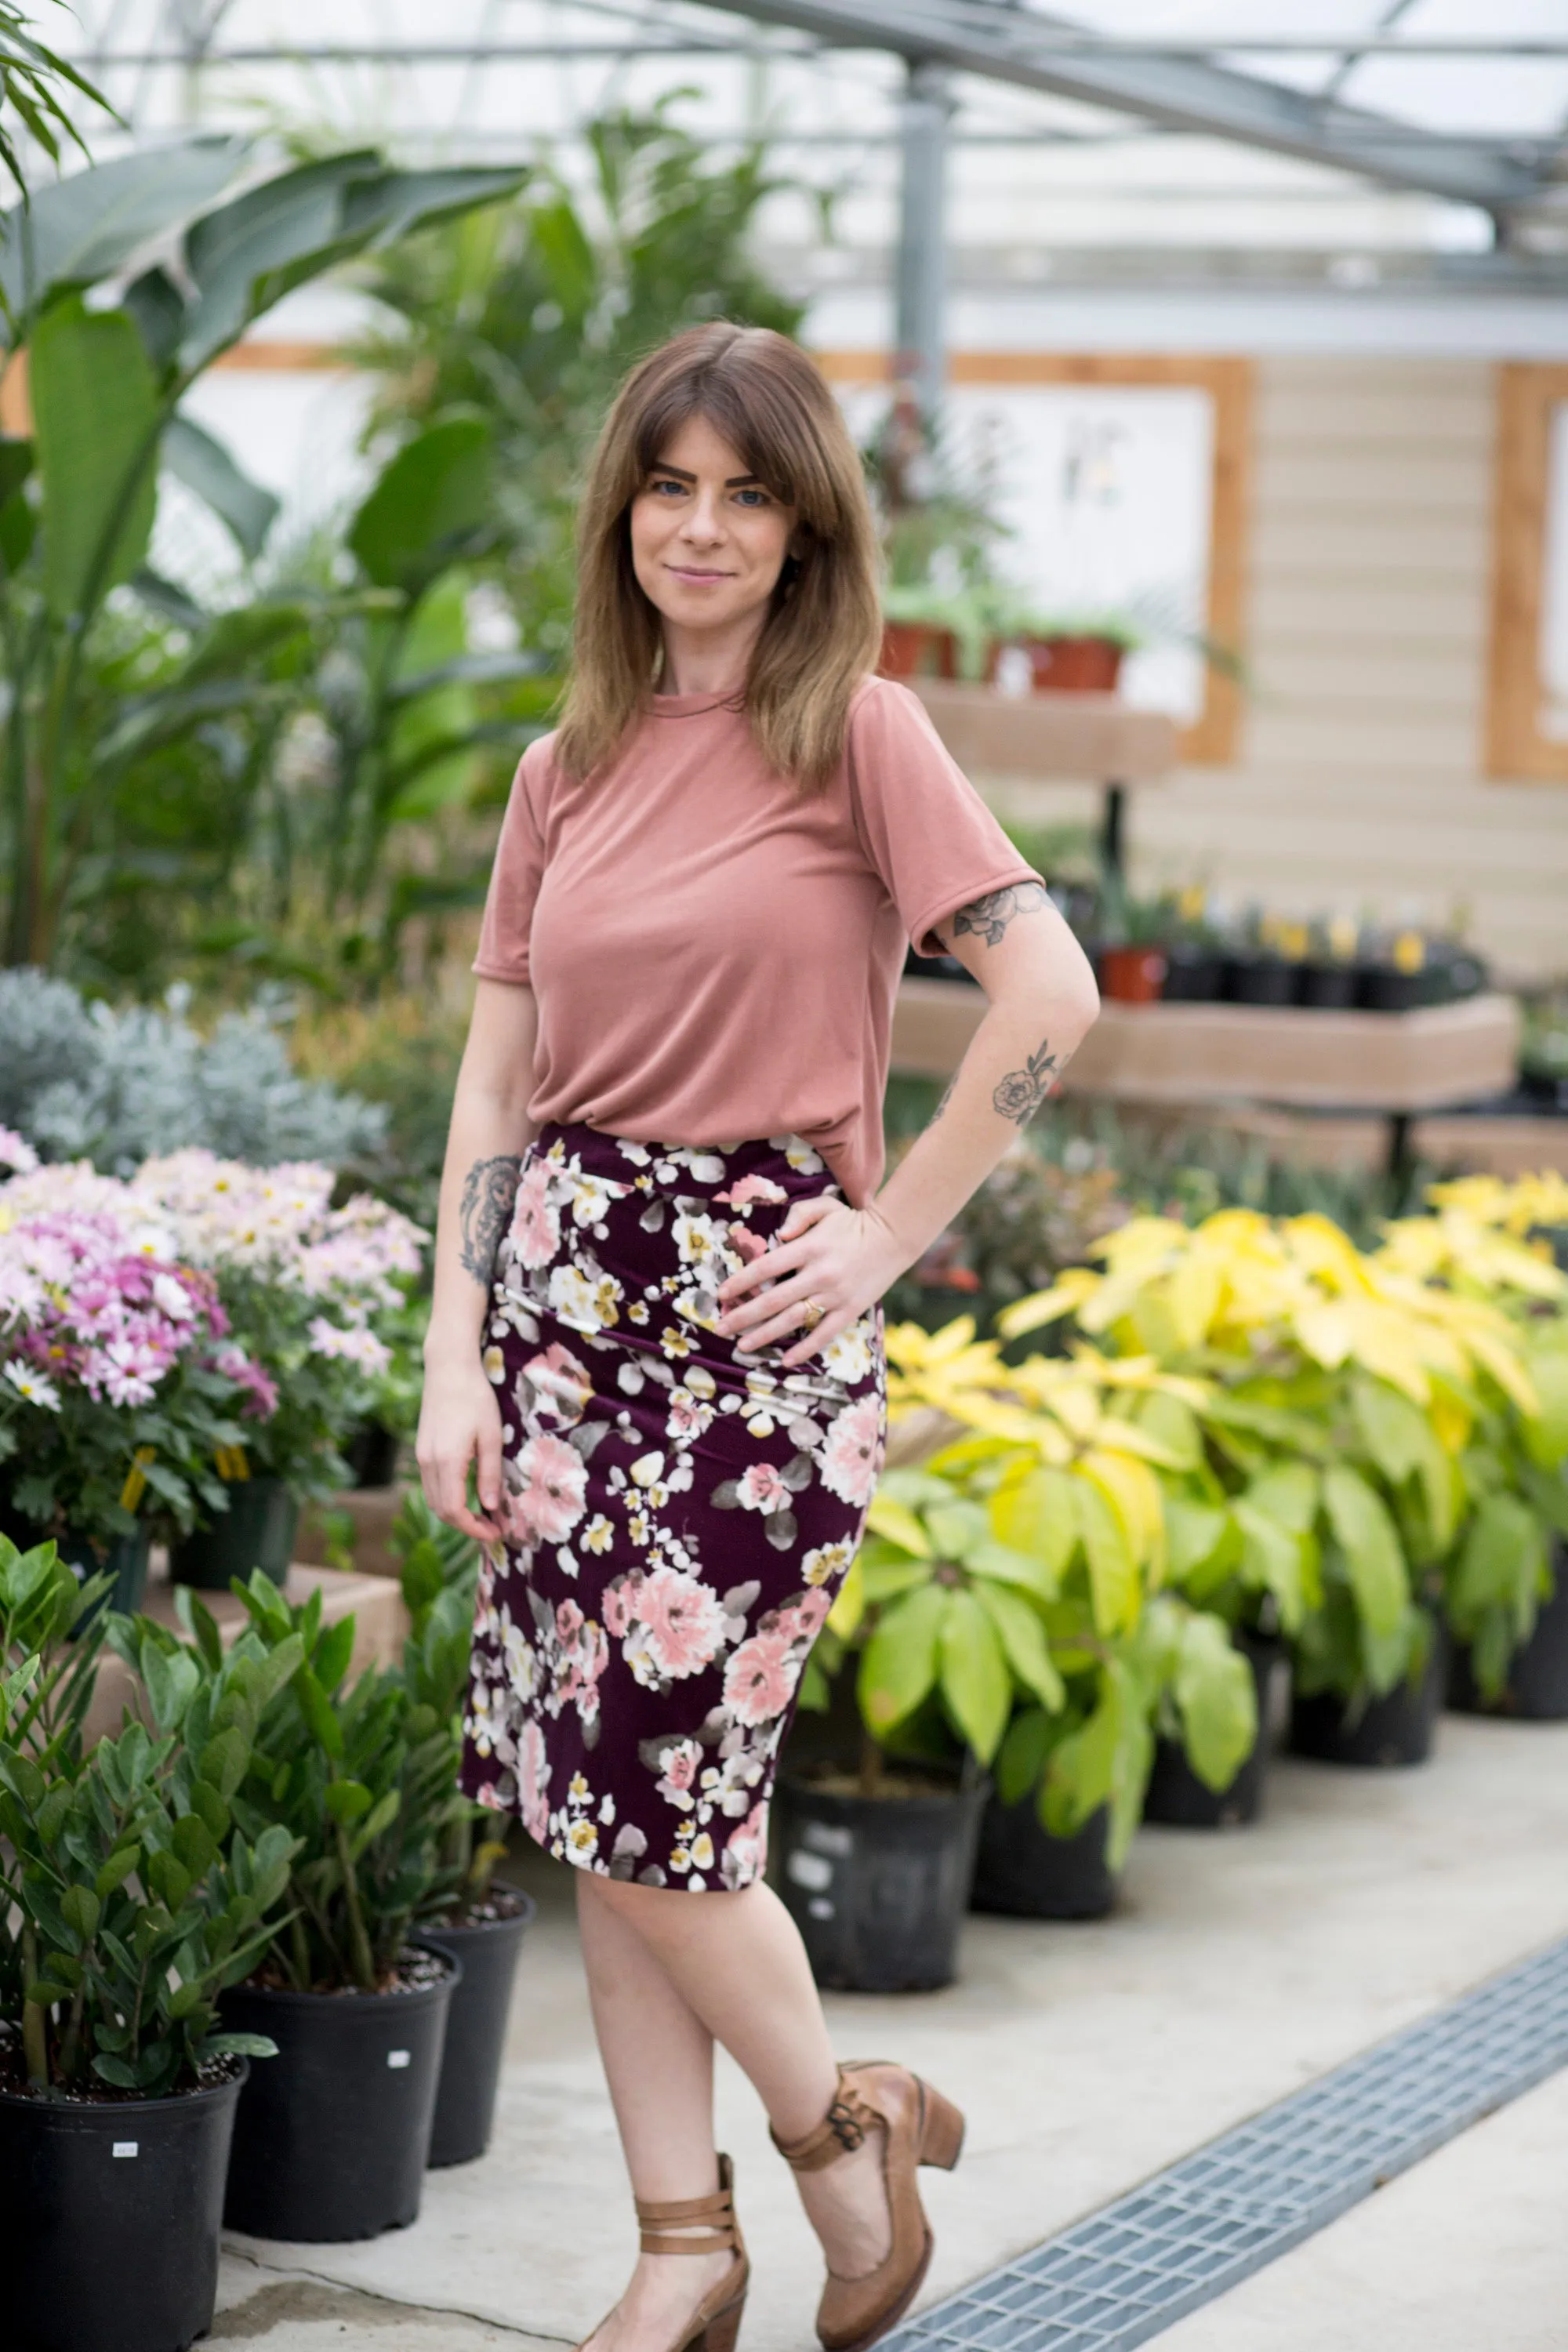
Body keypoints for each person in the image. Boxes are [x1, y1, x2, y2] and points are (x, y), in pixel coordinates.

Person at [417, 321, 1101, 2352]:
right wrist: (453, 1358)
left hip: (754, 1333)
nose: (700, 527)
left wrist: (886, 1235)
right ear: (621, 507)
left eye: (746, 493)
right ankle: (680, 2247)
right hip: (554, 1326)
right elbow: (492, 1087)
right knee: (596, 1811)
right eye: (669, 485)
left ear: (805, 531)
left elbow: (1051, 995)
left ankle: (831, 2137)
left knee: (668, 1800)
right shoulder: (565, 769)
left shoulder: (860, 734)